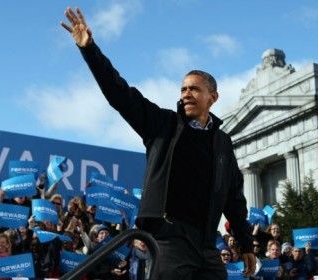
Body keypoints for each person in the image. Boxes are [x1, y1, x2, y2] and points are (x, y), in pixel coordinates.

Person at [61, 7, 255, 279]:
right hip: (169, 239)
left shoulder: (223, 142)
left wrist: (246, 244)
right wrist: (90, 49)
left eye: (194, 89)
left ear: (213, 97)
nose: (186, 93)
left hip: (207, 246)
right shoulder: (163, 125)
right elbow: (120, 94)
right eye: (183, 88)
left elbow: (234, 198)